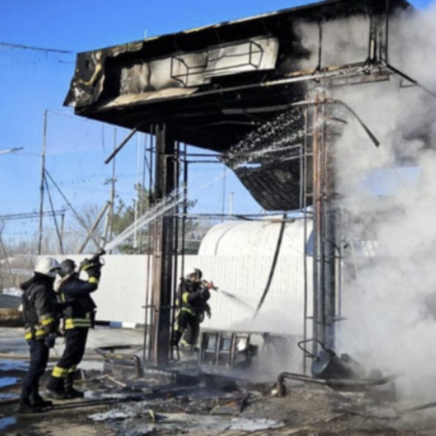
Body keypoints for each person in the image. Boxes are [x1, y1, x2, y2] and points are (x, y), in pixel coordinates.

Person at [46, 256, 102, 399]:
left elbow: (88, 285)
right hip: (75, 324)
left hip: (81, 324)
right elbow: (91, 286)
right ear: (68, 270)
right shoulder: (69, 285)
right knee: (69, 355)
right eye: (74, 267)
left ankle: (67, 386)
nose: (76, 269)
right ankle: (53, 384)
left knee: (76, 357)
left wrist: (96, 269)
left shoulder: (72, 283)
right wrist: (91, 271)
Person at [19, 257, 60, 413]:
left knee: (38, 367)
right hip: (40, 334)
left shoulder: (32, 288)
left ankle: (34, 398)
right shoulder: (42, 289)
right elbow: (44, 313)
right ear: (50, 273)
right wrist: (51, 331)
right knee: (36, 369)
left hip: (34, 333)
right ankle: (24, 402)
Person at [172, 268, 213, 349]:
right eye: (194, 276)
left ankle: (187, 347)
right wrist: (202, 290)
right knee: (181, 322)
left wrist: (205, 289)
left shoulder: (197, 287)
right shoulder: (183, 286)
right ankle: (173, 343)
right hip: (184, 309)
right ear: (188, 276)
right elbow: (189, 298)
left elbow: (204, 298)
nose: (196, 278)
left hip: (194, 313)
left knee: (194, 331)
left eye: (197, 276)